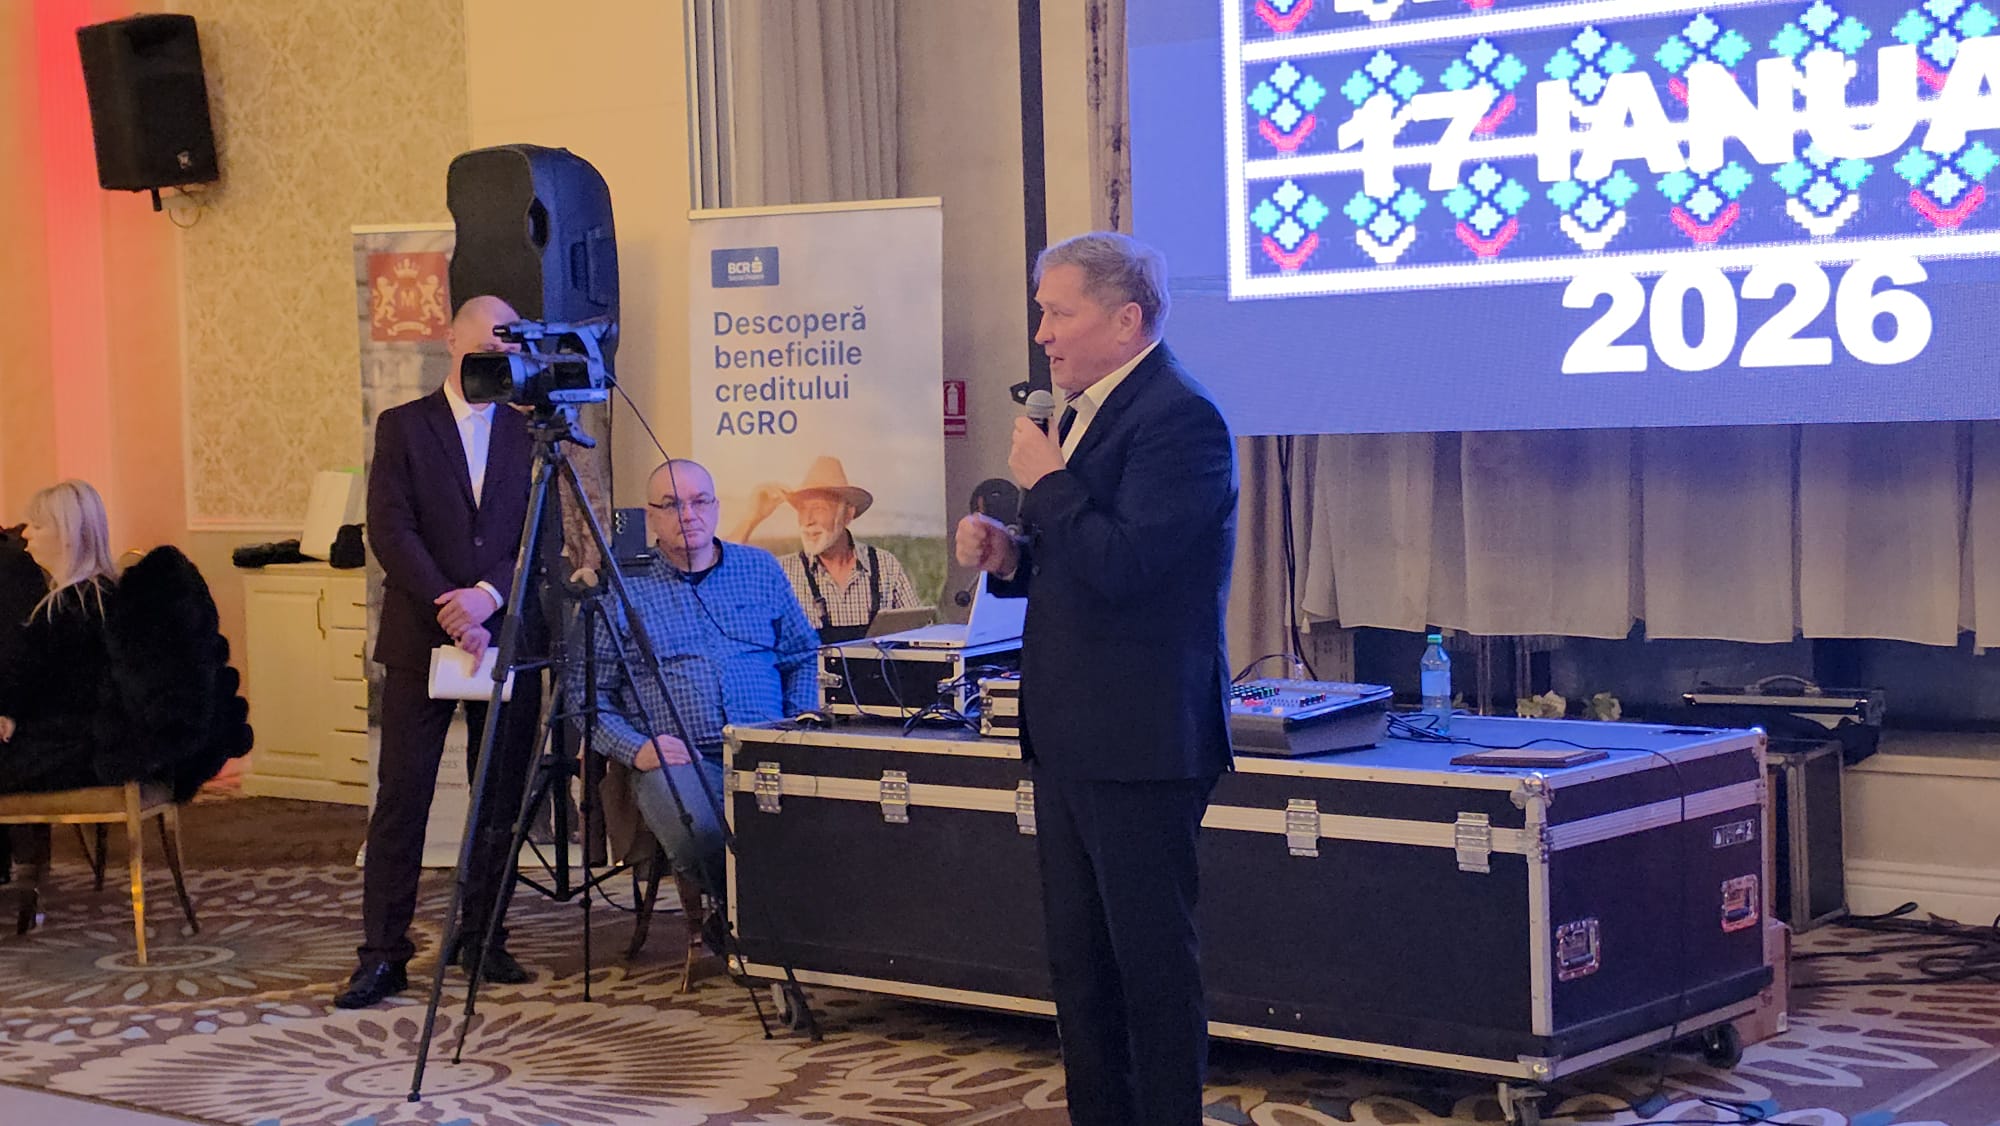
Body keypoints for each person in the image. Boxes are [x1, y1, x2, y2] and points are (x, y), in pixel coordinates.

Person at [954, 232, 1237, 1126]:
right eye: (1041, 312)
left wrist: (1044, 484)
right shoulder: (1085, 411)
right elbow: (1078, 560)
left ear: (1125, 319)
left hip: (1142, 740)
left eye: (1058, 312)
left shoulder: (1181, 418)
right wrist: (1010, 557)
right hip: (1072, 732)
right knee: (1080, 969)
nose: (1042, 333)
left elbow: (1129, 564)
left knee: (1149, 969)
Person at [337, 295, 544, 1009]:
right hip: (421, 637)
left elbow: (540, 532)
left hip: (503, 634)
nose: (499, 356)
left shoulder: (530, 431)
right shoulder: (403, 426)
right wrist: (449, 605)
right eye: (488, 343)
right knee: (403, 798)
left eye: (509, 346)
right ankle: (383, 954)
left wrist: (487, 597)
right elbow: (389, 529)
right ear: (452, 342)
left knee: (498, 797)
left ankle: (481, 937)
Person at [573, 458, 817, 915]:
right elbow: (586, 694)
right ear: (650, 517)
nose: (688, 515)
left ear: (716, 508)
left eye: (699, 501)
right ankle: (760, 920)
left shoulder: (760, 569)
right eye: (671, 505)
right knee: (699, 832)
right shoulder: (621, 585)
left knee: (834, 820)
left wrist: (797, 725)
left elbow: (803, 655)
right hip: (680, 760)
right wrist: (635, 748)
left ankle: (758, 924)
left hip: (769, 748)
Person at [0, 480, 120, 795]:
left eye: (37, 526)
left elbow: (41, 686)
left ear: (68, 536)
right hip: (95, 743)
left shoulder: (70, 607)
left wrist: (11, 711)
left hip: (75, 749)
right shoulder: (101, 593)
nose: (25, 534)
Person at [729, 456, 921, 643]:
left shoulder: (885, 566)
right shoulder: (783, 573)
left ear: (847, 515)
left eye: (818, 508)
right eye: (802, 510)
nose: (807, 520)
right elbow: (719, 581)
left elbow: (919, 636)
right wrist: (751, 518)